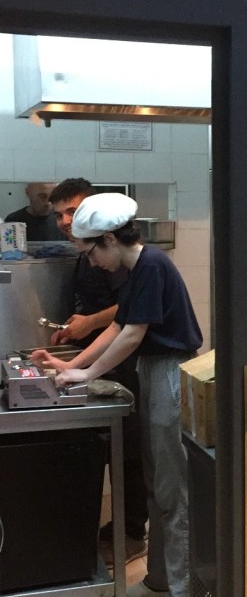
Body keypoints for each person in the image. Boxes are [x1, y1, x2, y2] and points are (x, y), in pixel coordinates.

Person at [31, 193, 203, 597]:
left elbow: (132, 335)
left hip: (169, 372)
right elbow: (116, 326)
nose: (92, 262)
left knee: (173, 490)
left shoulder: (152, 265)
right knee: (156, 485)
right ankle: (161, 580)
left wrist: (87, 374)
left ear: (109, 239)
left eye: (91, 252)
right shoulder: (135, 270)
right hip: (153, 372)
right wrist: (71, 366)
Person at [49, 178, 148, 564]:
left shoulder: (133, 262)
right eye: (59, 215)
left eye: (72, 211)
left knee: (130, 451)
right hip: (103, 360)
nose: (65, 221)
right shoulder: (88, 251)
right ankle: (118, 529)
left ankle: (132, 532)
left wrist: (87, 340)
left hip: (125, 365)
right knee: (113, 447)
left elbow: (127, 317)